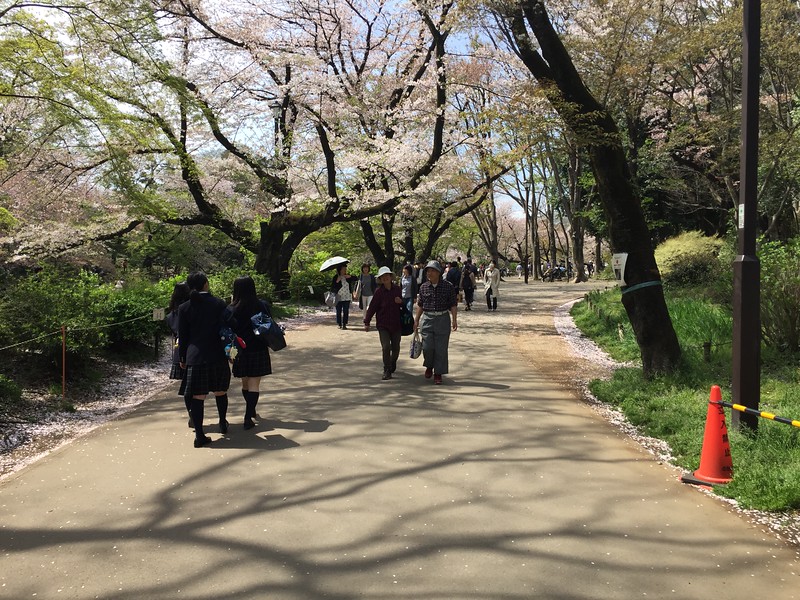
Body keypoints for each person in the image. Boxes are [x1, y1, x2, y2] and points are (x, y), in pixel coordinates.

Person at [178, 272, 232, 448]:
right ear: (206, 284)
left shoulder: (184, 308)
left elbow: (183, 336)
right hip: (217, 353)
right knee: (220, 391)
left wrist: (182, 357)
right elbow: (230, 324)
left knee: (197, 396)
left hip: (195, 356)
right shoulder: (218, 303)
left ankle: (199, 435)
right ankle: (223, 422)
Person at [227, 276, 273, 430]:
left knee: (245, 382)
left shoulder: (231, 309)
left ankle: (250, 409)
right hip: (258, 348)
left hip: (240, 350)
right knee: (254, 384)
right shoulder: (262, 305)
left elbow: (227, 330)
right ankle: (249, 414)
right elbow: (269, 324)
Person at [414, 260, 458, 385]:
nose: (429, 273)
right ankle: (429, 365)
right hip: (427, 319)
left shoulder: (448, 286)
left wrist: (454, 319)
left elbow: (453, 304)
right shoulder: (423, 287)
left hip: (442, 318)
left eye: (432, 270)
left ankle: (438, 373)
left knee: (441, 348)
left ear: (438, 272)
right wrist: (416, 320)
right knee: (428, 347)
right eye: (428, 271)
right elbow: (420, 305)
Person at [364, 266, 403, 380]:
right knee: (386, 347)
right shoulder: (378, 292)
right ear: (380, 279)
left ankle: (392, 362)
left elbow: (403, 306)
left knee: (395, 348)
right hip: (383, 324)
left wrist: (401, 302)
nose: (385, 278)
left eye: (387, 275)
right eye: (382, 277)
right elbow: (372, 308)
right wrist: (367, 321)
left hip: (396, 324)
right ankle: (387, 369)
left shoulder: (397, 289)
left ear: (391, 277)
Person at [166, 281, 192, 426]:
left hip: (179, 350)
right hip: (193, 349)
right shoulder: (190, 309)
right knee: (194, 387)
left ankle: (191, 413)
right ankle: (194, 413)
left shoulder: (171, 315)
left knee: (186, 385)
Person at [331, 263, 358, 329]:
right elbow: (332, 287)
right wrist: (337, 281)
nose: (345, 270)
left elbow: (356, 278)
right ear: (340, 270)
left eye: (345, 269)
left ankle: (344, 324)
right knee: (338, 311)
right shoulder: (336, 277)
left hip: (347, 296)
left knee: (346, 311)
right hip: (338, 296)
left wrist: (350, 276)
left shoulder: (347, 276)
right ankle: (339, 323)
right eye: (343, 269)